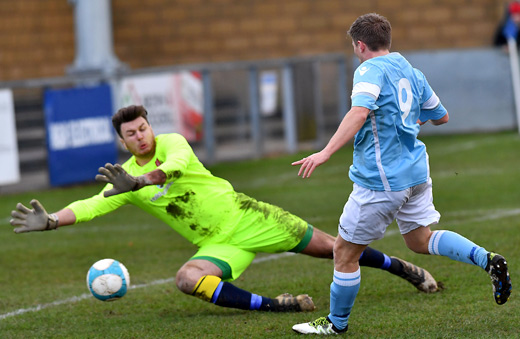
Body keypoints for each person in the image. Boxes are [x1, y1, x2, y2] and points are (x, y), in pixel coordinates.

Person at [10, 105, 439, 314]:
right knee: (187, 279)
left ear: (150, 127)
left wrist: (139, 181)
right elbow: (89, 206)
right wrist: (50, 221)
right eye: (131, 134)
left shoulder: (171, 144)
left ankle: (404, 269)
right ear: (123, 141)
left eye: (142, 128)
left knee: (336, 249)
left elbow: (172, 170)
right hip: (218, 243)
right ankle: (276, 305)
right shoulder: (122, 177)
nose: (140, 136)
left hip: (251, 217)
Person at [291, 13, 512, 335]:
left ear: (360, 44)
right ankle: (486, 258)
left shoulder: (369, 69)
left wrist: (325, 152)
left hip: (382, 181)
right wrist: (406, 121)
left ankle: (336, 325)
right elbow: (441, 116)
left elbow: (359, 110)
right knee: (420, 240)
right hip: (416, 174)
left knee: (344, 253)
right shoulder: (410, 70)